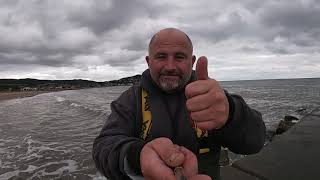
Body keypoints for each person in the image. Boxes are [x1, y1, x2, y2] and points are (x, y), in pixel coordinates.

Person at [92, 28, 266, 180]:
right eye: (161, 56)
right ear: (148, 61)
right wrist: (137, 156)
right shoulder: (131, 99)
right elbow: (103, 147)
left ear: (192, 61)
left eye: (179, 57)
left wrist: (232, 113)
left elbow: (256, 142)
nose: (170, 66)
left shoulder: (210, 98)